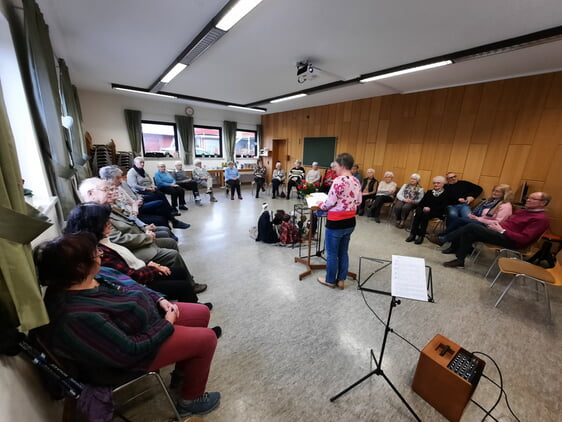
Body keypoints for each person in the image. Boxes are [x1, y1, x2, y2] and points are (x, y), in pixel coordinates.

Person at [33, 233, 221, 418]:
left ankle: (182, 373)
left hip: (147, 320)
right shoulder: (75, 315)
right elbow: (130, 351)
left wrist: (159, 299)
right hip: (133, 357)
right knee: (207, 339)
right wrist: (166, 323)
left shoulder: (94, 275)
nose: (100, 253)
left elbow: (135, 285)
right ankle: (190, 401)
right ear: (79, 266)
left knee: (201, 313)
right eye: (95, 252)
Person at [78, 178, 207, 294]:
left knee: (169, 240)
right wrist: (146, 237)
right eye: (106, 190)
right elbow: (117, 239)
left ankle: (176, 277)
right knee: (171, 252)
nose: (111, 192)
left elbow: (130, 220)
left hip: (136, 239)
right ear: (91, 193)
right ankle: (184, 284)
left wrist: (144, 229)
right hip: (131, 250)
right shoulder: (94, 215)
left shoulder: (106, 208)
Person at [64, 203, 207, 305]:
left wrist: (148, 264)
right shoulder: (99, 250)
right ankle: (191, 314)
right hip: (136, 284)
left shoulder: (101, 239)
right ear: (93, 224)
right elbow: (131, 276)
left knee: (179, 272)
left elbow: (126, 261)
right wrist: (153, 268)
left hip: (137, 267)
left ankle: (192, 304)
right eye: (105, 221)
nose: (109, 223)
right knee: (181, 284)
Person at [442, 192, 551, 268]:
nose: (528, 200)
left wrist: (502, 230)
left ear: (543, 203)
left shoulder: (541, 219)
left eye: (532, 199)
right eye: (528, 197)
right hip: (500, 232)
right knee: (469, 232)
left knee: (471, 226)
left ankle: (443, 240)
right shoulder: (524, 211)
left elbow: (524, 239)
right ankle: (460, 261)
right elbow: (508, 224)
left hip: (512, 241)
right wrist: (496, 225)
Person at [316, 153, 362, 290]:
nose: (334, 168)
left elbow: (330, 202)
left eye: (335, 166)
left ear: (342, 165)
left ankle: (330, 280)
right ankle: (341, 280)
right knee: (343, 252)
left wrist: (320, 205)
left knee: (332, 254)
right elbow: (358, 201)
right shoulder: (356, 181)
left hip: (336, 222)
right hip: (350, 222)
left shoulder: (339, 180)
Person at [99, 165, 189, 230]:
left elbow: (132, 194)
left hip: (137, 200)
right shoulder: (111, 192)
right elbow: (133, 189)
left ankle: (171, 222)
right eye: (118, 178)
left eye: (120, 177)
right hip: (136, 206)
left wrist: (140, 198)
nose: (121, 180)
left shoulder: (121, 185)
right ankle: (173, 221)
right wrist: (139, 198)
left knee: (160, 194)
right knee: (160, 202)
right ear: (108, 179)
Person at [436, 184, 513, 245]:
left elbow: (497, 223)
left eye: (498, 191)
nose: (494, 193)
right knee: (461, 224)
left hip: (489, 227)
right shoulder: (490, 201)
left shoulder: (505, 206)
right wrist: (473, 216)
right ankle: (452, 247)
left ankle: (442, 237)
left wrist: (477, 218)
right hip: (480, 221)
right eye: (494, 190)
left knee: (460, 220)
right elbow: (480, 213)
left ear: (504, 194)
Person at [406, 176, 448, 244]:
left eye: (438, 183)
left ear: (443, 184)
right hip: (424, 210)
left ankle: (421, 236)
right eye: (434, 183)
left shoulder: (446, 194)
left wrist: (430, 209)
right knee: (419, 210)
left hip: (437, 212)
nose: (436, 184)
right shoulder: (429, 192)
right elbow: (421, 203)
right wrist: (424, 207)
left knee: (425, 214)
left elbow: (442, 207)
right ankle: (413, 234)